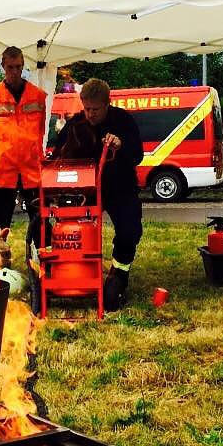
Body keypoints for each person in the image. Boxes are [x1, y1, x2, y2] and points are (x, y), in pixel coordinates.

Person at [51, 77, 143, 311]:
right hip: (85, 191)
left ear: (107, 103)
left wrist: (120, 145)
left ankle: (119, 274)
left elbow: (138, 156)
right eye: (87, 108)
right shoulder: (76, 124)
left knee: (129, 230)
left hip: (120, 186)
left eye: (96, 109)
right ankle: (72, 272)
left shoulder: (123, 121)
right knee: (71, 230)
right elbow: (56, 158)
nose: (91, 114)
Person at [0, 46, 47, 265]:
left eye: (18, 67)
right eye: (11, 67)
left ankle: (45, 261)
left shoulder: (37, 96)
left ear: (23, 65)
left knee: (40, 218)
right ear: (3, 67)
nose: (15, 71)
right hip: (3, 170)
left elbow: (41, 132)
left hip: (31, 169)